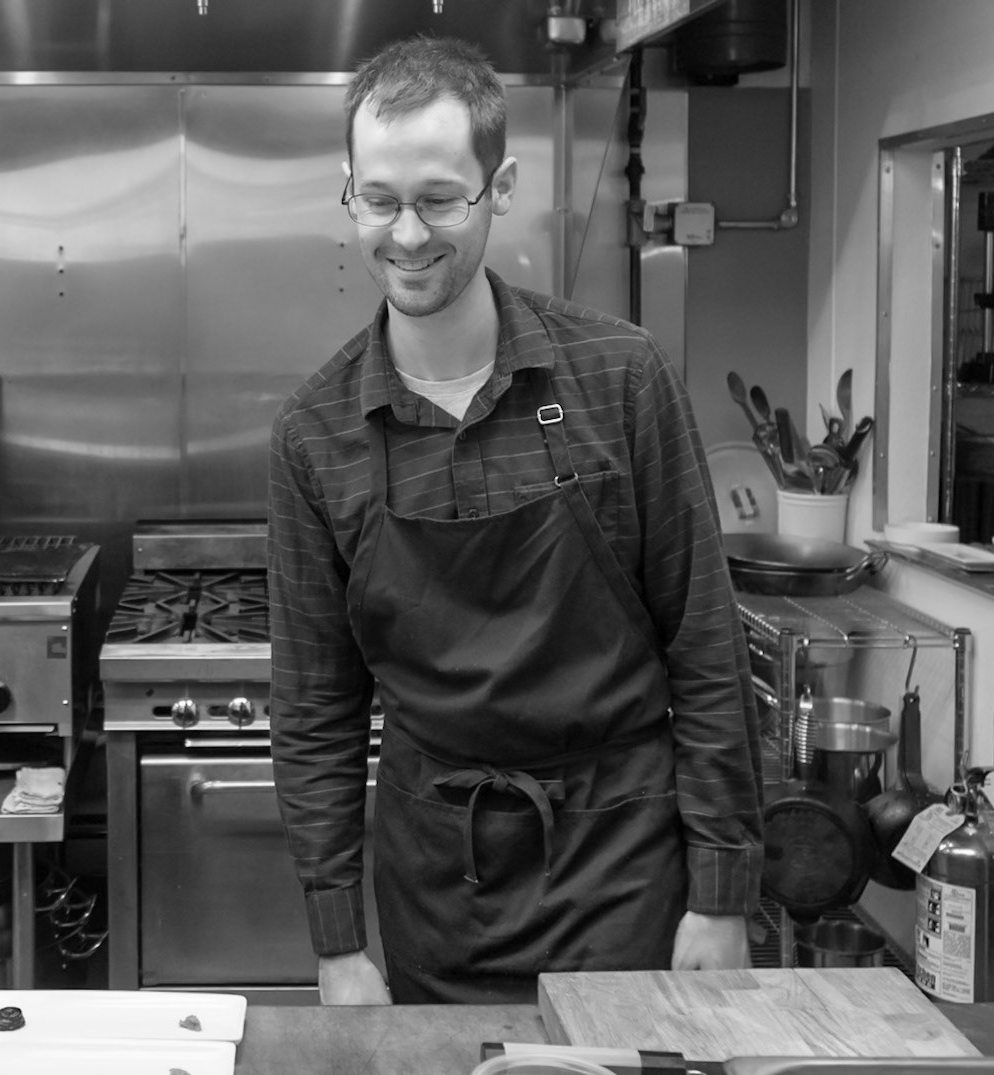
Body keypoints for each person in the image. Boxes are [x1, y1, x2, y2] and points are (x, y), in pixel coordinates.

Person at [266, 35, 764, 1005]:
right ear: (346, 191)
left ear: (499, 187)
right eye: (378, 200)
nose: (405, 236)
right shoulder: (312, 434)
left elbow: (702, 643)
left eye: (439, 198)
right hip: (435, 883)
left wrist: (720, 894)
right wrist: (336, 944)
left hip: (621, 867)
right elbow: (315, 709)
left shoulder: (618, 377)